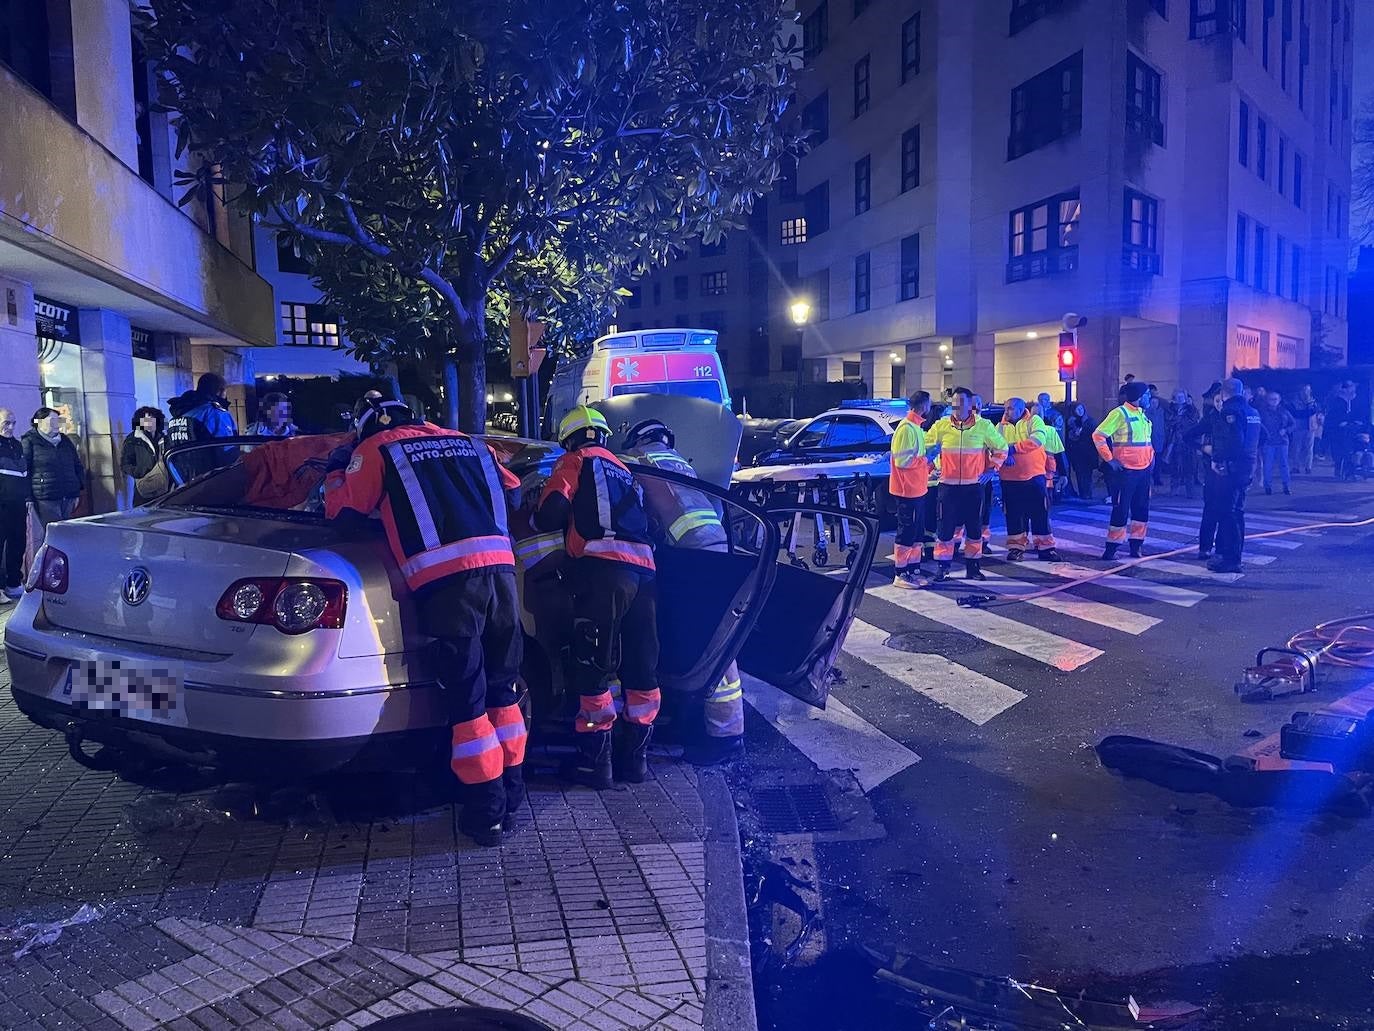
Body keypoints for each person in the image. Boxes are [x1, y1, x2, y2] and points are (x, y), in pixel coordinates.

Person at [324, 395, 524, 847]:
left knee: (467, 706)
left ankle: (484, 817)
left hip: (448, 585)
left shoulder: (377, 448)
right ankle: (512, 796)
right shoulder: (469, 443)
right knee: (503, 692)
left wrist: (338, 473)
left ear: (366, 426)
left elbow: (345, 516)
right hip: (502, 574)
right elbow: (513, 490)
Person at [535, 406, 659, 789]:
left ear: (568, 440)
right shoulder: (626, 472)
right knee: (641, 668)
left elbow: (550, 516)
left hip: (603, 573)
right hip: (646, 574)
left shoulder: (574, 461)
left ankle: (595, 765)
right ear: (603, 436)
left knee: (592, 667)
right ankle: (635, 763)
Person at [621, 417, 743, 766]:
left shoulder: (637, 463)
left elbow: (634, 517)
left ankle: (725, 736)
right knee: (708, 641)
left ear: (637, 440)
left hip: (688, 555)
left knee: (707, 645)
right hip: (714, 548)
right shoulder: (679, 463)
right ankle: (692, 724)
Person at [926, 387, 1007, 582]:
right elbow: (926, 447)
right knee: (945, 529)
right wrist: (931, 467)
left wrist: (991, 469)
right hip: (947, 486)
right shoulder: (941, 425)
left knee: (974, 529)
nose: (958, 406)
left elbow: (1001, 448)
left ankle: (973, 567)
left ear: (970, 404)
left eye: (962, 401)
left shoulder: (984, 426)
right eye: (955, 401)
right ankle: (943, 567)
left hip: (973, 486)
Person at [1092, 382, 1154, 559]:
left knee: (1141, 509)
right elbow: (1098, 435)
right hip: (1125, 471)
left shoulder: (1142, 415)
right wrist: (1109, 459)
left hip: (1143, 470)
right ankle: (1112, 548)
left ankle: (1136, 545)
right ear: (1139, 397)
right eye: (1147, 395)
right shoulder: (1119, 413)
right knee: (1121, 509)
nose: (1150, 397)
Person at [997, 398, 1061, 562]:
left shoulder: (1034, 421)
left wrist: (1012, 449)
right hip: (1010, 478)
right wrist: (1005, 456)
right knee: (1014, 515)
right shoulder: (1001, 426)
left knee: (1040, 512)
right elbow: (995, 446)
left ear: (1020, 409)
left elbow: (1037, 440)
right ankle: (1016, 548)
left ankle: (1046, 548)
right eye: (1006, 408)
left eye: (1010, 408)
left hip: (1034, 476)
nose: (1006, 411)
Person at [1208, 378, 1261, 573]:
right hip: (1247, 467)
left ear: (1223, 392)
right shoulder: (1252, 412)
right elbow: (1261, 437)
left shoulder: (1229, 411)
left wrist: (1218, 459)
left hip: (1232, 469)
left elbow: (1233, 441)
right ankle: (1235, 556)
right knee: (1237, 512)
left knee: (1227, 513)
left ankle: (1231, 559)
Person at [889, 390, 933, 588]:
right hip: (908, 490)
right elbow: (903, 461)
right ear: (924, 406)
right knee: (906, 532)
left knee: (915, 533)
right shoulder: (907, 428)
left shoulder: (915, 427)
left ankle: (912, 570)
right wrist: (927, 459)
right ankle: (901, 573)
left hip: (917, 489)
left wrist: (927, 465)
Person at [166, 373, 239, 481]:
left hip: (182, 482)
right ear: (220, 391)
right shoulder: (215, 413)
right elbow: (228, 451)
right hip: (210, 481)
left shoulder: (180, 414)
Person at [23, 407, 84, 532]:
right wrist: (28, 497)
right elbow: (25, 470)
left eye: (59, 420)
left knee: (68, 531)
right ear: (38, 422)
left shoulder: (65, 440)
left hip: (69, 494)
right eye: (52, 421)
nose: (57, 424)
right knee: (54, 532)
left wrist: (78, 487)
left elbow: (76, 465)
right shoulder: (30, 441)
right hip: (46, 496)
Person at [1183, 384, 1225, 560]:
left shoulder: (1236, 416)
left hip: (1232, 472)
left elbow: (1261, 436)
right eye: (1217, 401)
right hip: (1212, 471)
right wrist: (1203, 448)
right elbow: (1188, 436)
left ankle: (1222, 547)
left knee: (1228, 513)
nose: (1220, 404)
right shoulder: (1211, 418)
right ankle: (1205, 547)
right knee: (1211, 509)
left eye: (1223, 400)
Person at [0, 409, 26, 601]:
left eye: (13, 423)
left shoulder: (17, 445)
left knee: (18, 543)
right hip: (1, 503)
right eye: (6, 422)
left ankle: (13, 583)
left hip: (17, 503)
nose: (10, 427)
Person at [119, 406, 166, 506]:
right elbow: (125, 464)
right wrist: (140, 472)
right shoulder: (133, 440)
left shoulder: (164, 438)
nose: (148, 423)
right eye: (145, 420)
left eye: (151, 419)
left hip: (164, 486)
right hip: (144, 486)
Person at [1257, 390, 1296, 495]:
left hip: (1282, 442)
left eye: (1276, 399)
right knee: (1267, 465)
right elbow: (1259, 425)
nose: (1273, 401)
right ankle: (1268, 487)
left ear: (1279, 400)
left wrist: (1286, 430)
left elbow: (1293, 424)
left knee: (1284, 465)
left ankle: (1286, 486)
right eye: (1271, 399)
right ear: (1267, 400)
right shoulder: (1262, 412)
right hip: (1268, 443)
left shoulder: (1284, 411)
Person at [1163, 389, 1200, 497]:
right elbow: (1169, 422)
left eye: (1181, 397)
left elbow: (1193, 421)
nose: (1180, 400)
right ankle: (1174, 489)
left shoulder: (1191, 410)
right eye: (1178, 397)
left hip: (1188, 442)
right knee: (1175, 466)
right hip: (1174, 442)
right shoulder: (1170, 409)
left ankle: (1190, 491)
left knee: (1189, 467)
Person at [1065, 403, 1098, 500]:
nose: (1079, 411)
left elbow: (1095, 435)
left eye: (1081, 408)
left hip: (1088, 452)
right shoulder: (1071, 422)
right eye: (1077, 409)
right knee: (1080, 474)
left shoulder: (1090, 421)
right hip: (1077, 453)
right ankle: (1083, 493)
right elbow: (1070, 437)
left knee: (1087, 474)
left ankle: (1087, 493)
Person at [1326, 381, 1358, 479]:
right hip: (1338, 431)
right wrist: (1341, 422)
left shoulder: (1351, 400)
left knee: (1347, 451)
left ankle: (1346, 471)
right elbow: (1334, 416)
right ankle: (1340, 471)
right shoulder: (1338, 401)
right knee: (1340, 451)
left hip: (1347, 430)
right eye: (1351, 388)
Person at [1288, 384, 1319, 475]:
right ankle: (1295, 467)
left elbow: (1314, 412)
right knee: (1296, 448)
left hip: (1310, 427)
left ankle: (1308, 467)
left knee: (1309, 449)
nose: (1306, 392)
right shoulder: (1294, 402)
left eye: (1308, 390)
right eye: (1304, 390)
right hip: (1298, 428)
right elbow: (1297, 414)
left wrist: (1310, 407)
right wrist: (1308, 409)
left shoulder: (1313, 402)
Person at [1145, 387, 1167, 487]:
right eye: (1152, 402)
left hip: (1159, 440)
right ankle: (1147, 479)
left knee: (1157, 461)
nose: (1154, 404)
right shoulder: (1146, 413)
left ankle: (1157, 478)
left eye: (1156, 402)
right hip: (1148, 441)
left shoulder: (1162, 412)